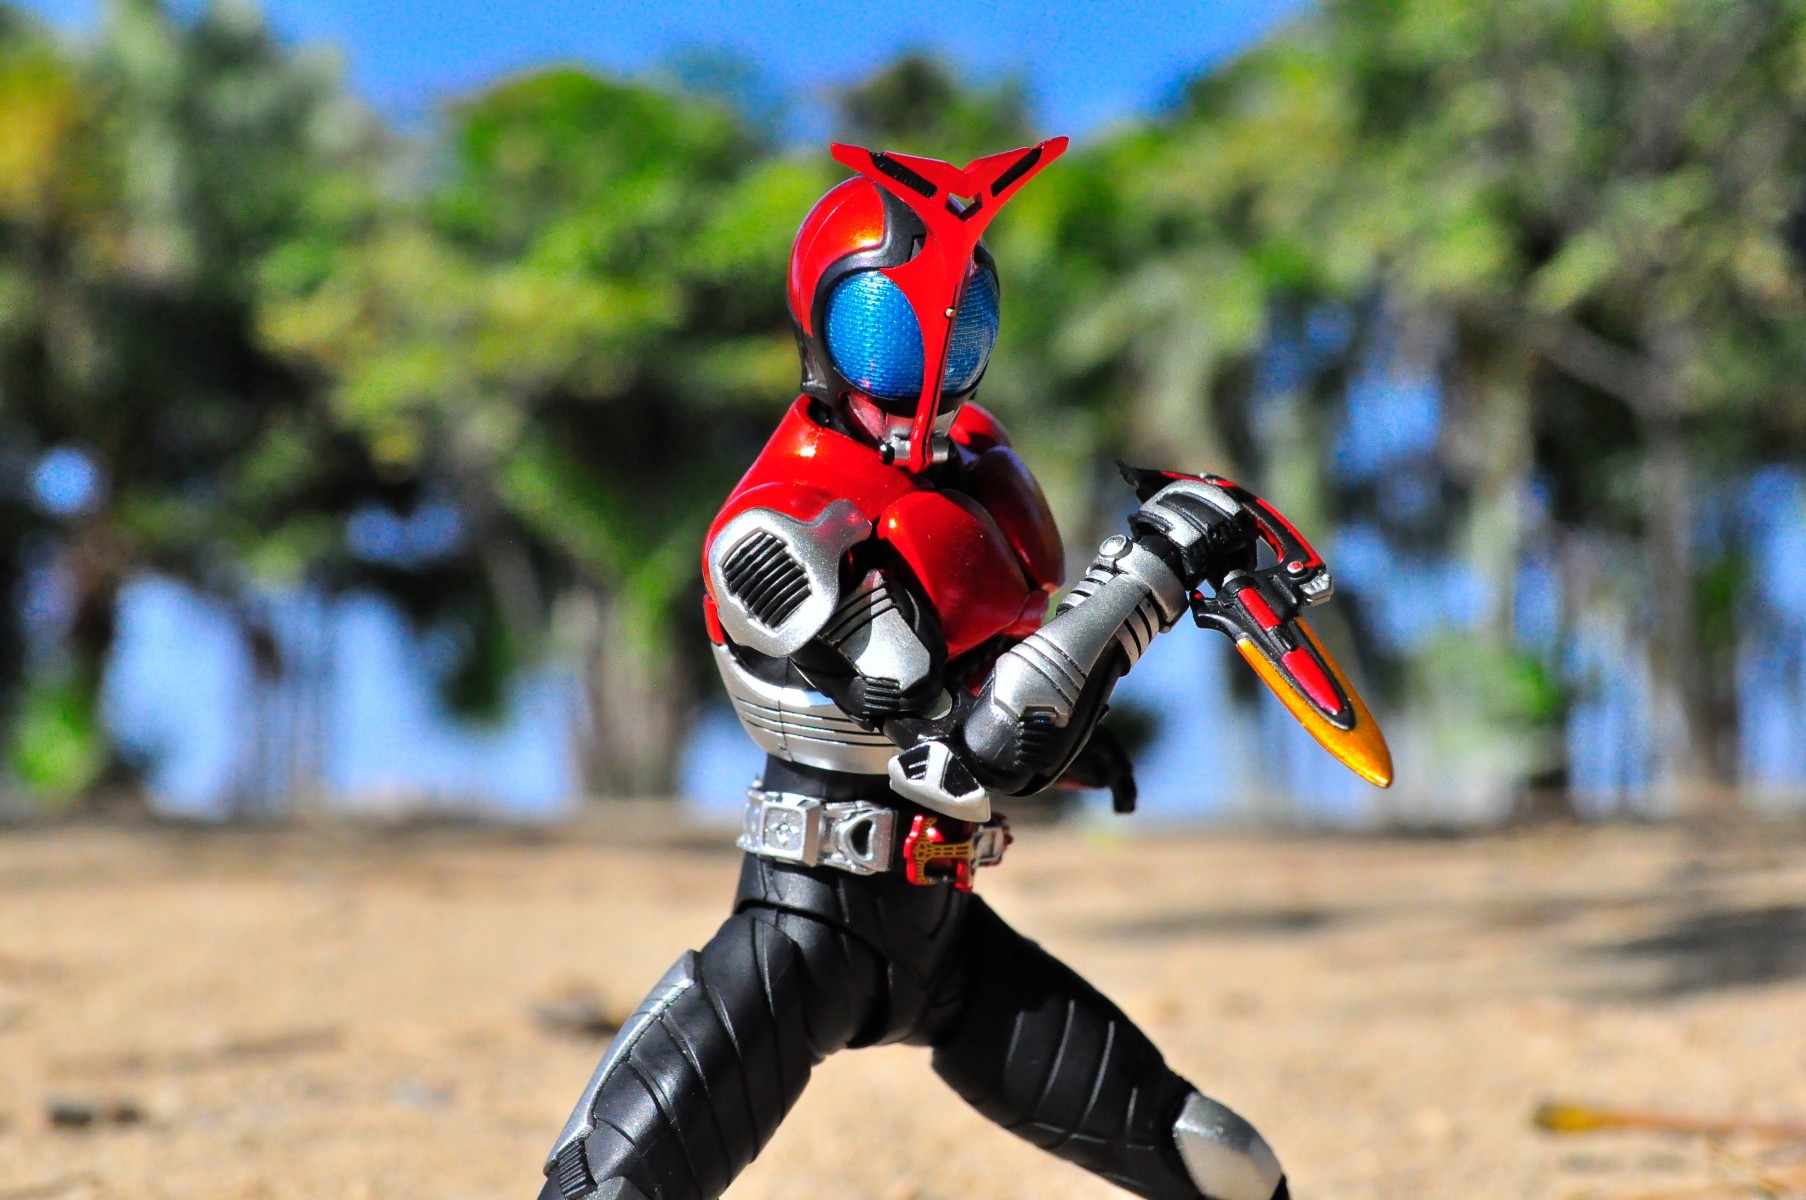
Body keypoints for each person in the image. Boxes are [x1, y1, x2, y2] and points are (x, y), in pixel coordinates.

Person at [535, 139, 1289, 1200]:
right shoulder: (780, 529)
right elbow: (975, 746)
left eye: (957, 324)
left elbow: (999, 679)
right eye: (889, 327)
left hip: (946, 941)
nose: (928, 362)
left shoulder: (975, 468)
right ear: (828, 327)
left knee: (1228, 1166)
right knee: (600, 1190)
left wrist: (1086, 728)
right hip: (802, 935)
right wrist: (1150, 572)